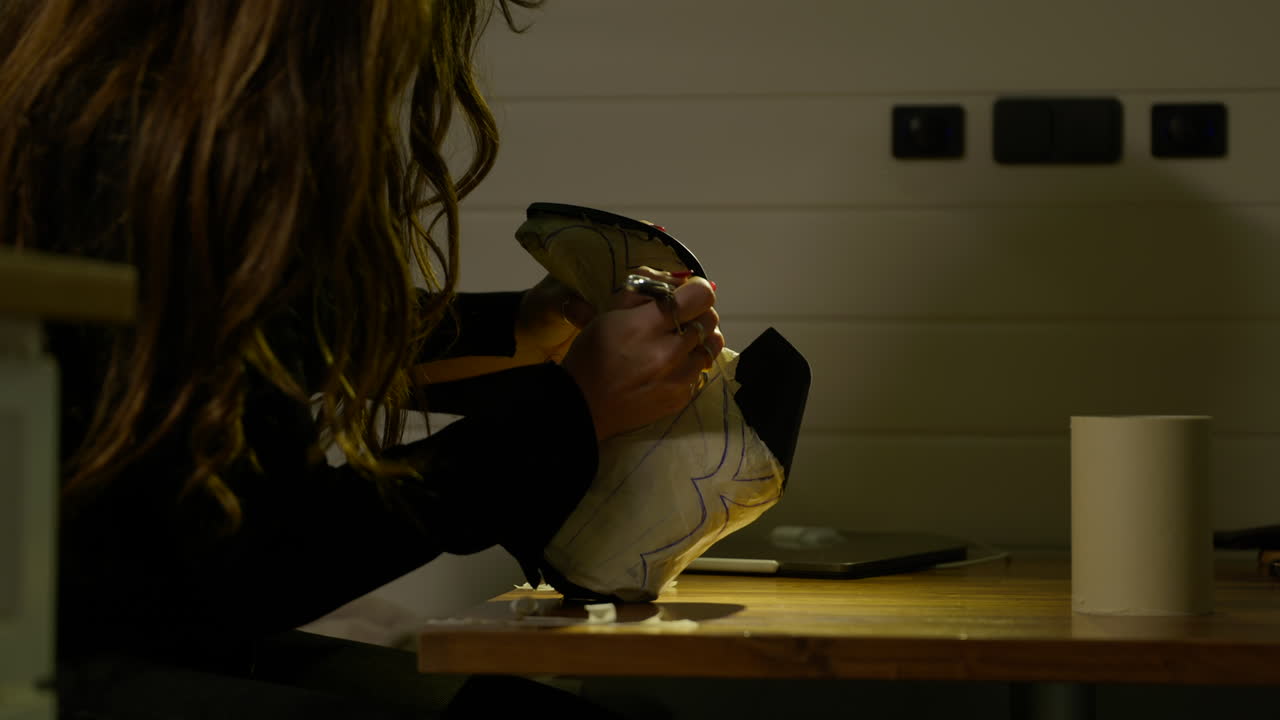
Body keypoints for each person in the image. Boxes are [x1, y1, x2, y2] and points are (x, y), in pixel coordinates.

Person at [0, 0, 724, 716]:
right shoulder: (133, 150)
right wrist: (568, 412)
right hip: (69, 664)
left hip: (133, 635)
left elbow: (254, 342)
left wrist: (524, 326)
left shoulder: (87, 97)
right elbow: (264, 561)